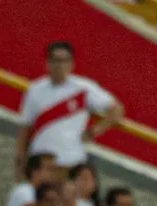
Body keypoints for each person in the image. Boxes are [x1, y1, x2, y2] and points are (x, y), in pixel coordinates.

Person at [16, 41, 123, 175]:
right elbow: (24, 127)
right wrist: (20, 160)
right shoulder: (34, 89)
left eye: (64, 60)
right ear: (47, 63)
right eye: (55, 60)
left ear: (71, 64)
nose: (59, 65)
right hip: (40, 164)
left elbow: (117, 109)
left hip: (71, 162)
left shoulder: (83, 88)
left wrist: (95, 130)